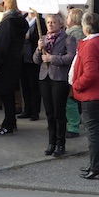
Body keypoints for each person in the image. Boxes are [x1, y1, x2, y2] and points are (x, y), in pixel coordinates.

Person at [71, 12, 99, 180]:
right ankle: (95, 164)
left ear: (85, 28)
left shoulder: (91, 45)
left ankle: (96, 167)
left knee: (92, 132)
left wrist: (76, 85)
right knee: (94, 130)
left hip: (92, 95)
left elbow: (90, 74)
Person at [0, 0, 28, 135]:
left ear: (6, 6)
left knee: (6, 96)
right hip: (12, 64)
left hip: (4, 66)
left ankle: (8, 125)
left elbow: (2, 45)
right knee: (8, 95)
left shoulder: (8, 23)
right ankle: (11, 122)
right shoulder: (17, 21)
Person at [33, 13, 76, 157]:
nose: (50, 25)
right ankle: (51, 142)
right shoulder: (43, 39)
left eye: (53, 22)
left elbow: (71, 57)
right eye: (48, 22)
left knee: (59, 112)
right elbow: (35, 60)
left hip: (59, 78)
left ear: (60, 24)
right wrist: (39, 49)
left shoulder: (68, 38)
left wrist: (53, 58)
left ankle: (60, 143)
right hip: (45, 77)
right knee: (49, 113)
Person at [18, 10, 46, 120]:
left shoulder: (41, 21)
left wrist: (30, 37)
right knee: (24, 85)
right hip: (22, 57)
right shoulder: (22, 19)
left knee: (34, 86)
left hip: (33, 58)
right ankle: (27, 109)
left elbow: (42, 37)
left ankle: (35, 112)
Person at [64, 7, 86, 138]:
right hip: (76, 71)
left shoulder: (72, 34)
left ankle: (73, 126)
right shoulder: (79, 33)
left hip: (71, 71)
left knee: (71, 100)